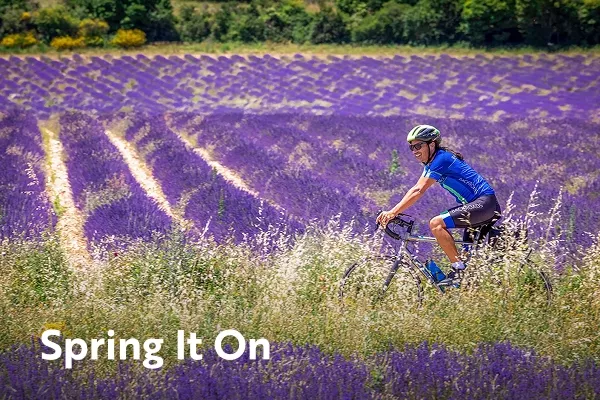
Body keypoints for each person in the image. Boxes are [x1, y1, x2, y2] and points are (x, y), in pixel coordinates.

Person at [376, 124, 501, 281]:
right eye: (411, 148)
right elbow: (416, 188)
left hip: (484, 204)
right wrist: (395, 210)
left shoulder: (441, 159)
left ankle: (458, 270)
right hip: (481, 206)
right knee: (468, 261)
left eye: (418, 146)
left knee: (436, 224)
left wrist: (393, 212)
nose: (414, 151)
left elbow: (418, 190)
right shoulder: (433, 162)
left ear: (432, 144)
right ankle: (466, 285)